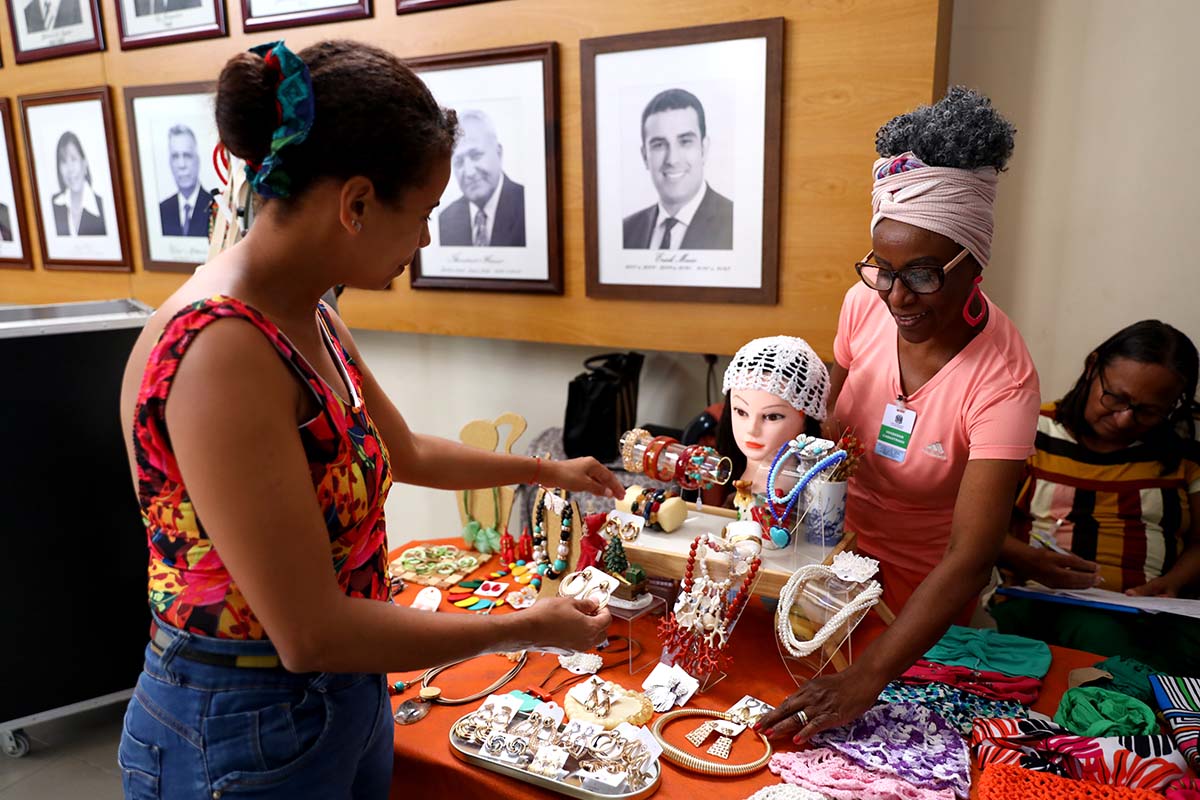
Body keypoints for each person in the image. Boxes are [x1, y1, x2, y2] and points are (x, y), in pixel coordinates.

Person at [116, 40, 623, 799]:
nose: (425, 239)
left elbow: (404, 450)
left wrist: (548, 470)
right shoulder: (219, 349)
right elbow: (310, 632)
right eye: (422, 213)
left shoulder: (311, 313)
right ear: (355, 204)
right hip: (243, 722)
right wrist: (522, 624)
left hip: (340, 692)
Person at [755, 87, 1042, 743]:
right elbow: (823, 426)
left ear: (974, 265)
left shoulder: (1004, 380)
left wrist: (868, 677)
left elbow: (970, 557)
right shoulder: (864, 305)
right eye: (881, 269)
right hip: (828, 562)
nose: (895, 297)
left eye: (922, 275)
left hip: (923, 601)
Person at [993, 320, 1200, 672]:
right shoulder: (1029, 430)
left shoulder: (1183, 454)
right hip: (1048, 601)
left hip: (1156, 613)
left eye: (1148, 411)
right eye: (1116, 398)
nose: (1124, 420)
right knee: (1105, 641)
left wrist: (1174, 583)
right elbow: (972, 526)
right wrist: (1028, 560)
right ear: (1092, 367)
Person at [714, 335, 827, 496]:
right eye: (741, 412)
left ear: (806, 418)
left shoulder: (793, 489)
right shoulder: (734, 468)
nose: (752, 429)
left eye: (772, 417)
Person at [622, 88, 733, 250]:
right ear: (645, 156)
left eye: (685, 141)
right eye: (659, 145)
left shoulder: (736, 225)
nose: (672, 160)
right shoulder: (626, 232)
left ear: (703, 149)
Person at [437, 109, 525, 247]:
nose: (469, 172)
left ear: (498, 153)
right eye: (459, 161)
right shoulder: (445, 221)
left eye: (476, 155)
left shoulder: (527, 207)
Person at [159, 124, 213, 237]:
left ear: (197, 160)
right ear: (170, 163)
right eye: (175, 156)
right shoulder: (162, 210)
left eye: (187, 155)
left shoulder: (215, 206)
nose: (181, 165)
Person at [51, 131, 105, 236]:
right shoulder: (52, 206)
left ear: (84, 164)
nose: (70, 169)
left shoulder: (103, 208)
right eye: (64, 161)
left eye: (73, 159)